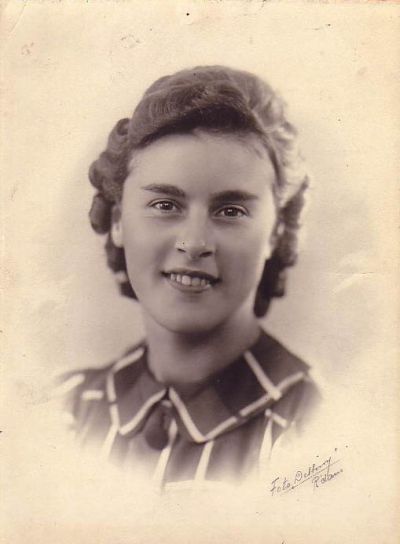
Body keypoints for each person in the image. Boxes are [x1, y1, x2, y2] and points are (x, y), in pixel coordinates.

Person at [57, 65, 320, 490]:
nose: (195, 243)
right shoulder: (63, 412)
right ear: (119, 221)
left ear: (275, 232)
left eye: (231, 211)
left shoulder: (317, 428)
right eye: (165, 205)